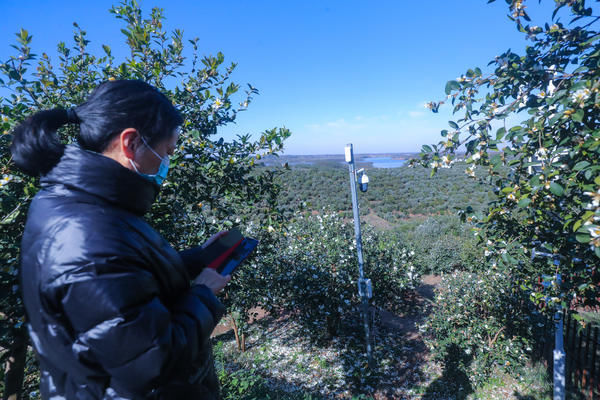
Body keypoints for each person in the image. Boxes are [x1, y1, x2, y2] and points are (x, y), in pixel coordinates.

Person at [10, 80, 231, 400]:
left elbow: (128, 285)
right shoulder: (87, 239)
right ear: (131, 143)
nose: (166, 163)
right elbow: (153, 362)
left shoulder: (80, 207)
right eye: (167, 151)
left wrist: (197, 258)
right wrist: (204, 294)